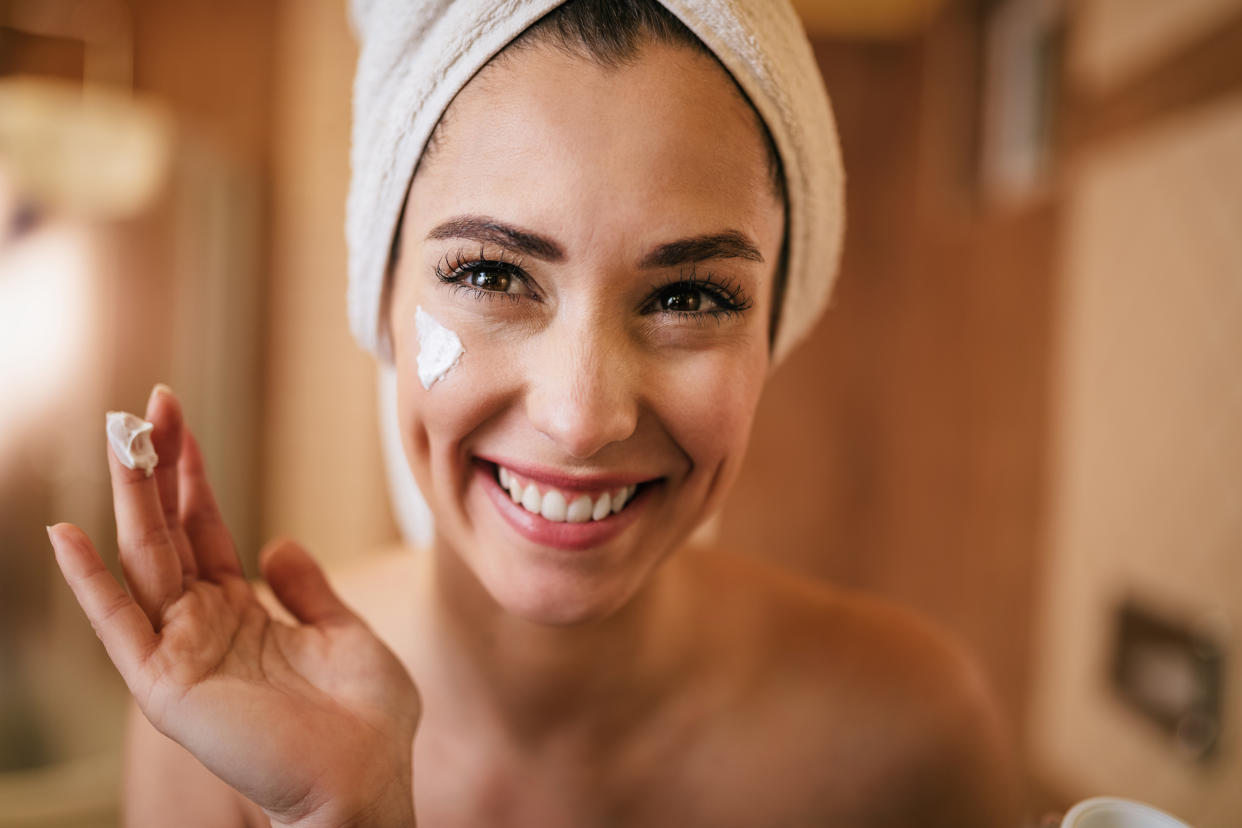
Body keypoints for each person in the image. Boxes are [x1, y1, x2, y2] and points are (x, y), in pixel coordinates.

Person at [47, 1, 1022, 825]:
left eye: (689, 297)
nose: (581, 415)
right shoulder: (217, 732)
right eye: (490, 273)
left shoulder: (911, 741)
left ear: (775, 330)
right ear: (379, 301)